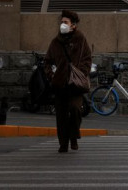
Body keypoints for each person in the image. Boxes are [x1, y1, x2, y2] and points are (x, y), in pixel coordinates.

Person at [44, 9, 92, 153]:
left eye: (65, 22)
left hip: (75, 85)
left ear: (73, 25)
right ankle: (63, 143)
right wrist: (52, 76)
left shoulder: (80, 39)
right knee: (61, 115)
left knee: (75, 109)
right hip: (60, 84)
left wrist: (81, 73)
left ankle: (73, 136)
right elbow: (47, 61)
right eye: (61, 22)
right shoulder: (55, 42)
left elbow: (87, 59)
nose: (62, 25)